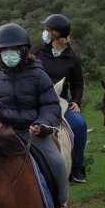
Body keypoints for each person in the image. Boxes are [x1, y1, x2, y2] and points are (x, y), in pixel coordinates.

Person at [0, 23, 78, 208]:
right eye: (3, 50)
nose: (8, 54)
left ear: (22, 51)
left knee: (57, 162)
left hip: (32, 132)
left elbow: (51, 105)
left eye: (12, 50)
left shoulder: (38, 75)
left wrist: (42, 124)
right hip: (3, 133)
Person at [34, 13, 89, 184]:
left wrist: (76, 101)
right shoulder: (37, 52)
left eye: (47, 29)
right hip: (36, 98)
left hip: (60, 99)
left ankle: (78, 165)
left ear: (55, 33)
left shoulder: (72, 59)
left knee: (80, 124)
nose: (44, 32)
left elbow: (78, 84)